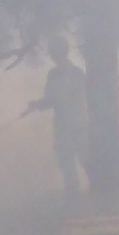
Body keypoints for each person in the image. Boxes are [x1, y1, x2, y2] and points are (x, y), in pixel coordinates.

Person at [27, 37, 90, 197]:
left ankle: (95, 190)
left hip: (76, 123)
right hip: (67, 124)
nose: (53, 55)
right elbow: (51, 100)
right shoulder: (60, 74)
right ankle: (74, 192)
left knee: (83, 159)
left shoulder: (71, 74)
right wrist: (37, 104)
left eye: (54, 52)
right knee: (66, 159)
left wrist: (40, 104)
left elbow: (58, 99)